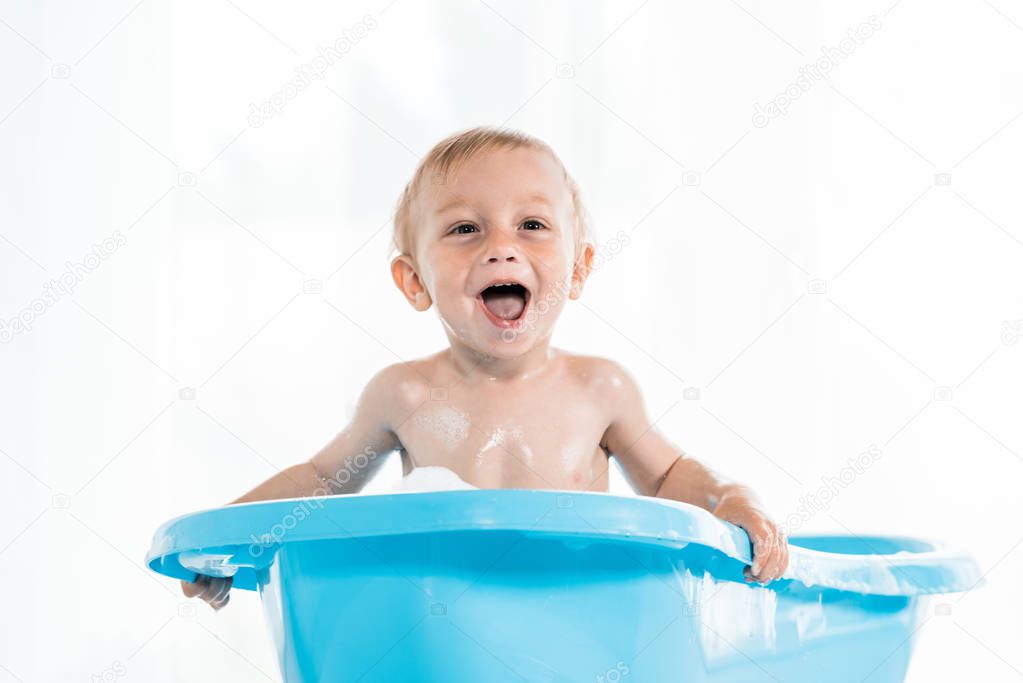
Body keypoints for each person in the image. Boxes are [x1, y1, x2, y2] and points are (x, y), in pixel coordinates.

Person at [181, 126, 789, 610]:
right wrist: (228, 539)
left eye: (532, 225)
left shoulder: (598, 389)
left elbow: (666, 478)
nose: (502, 246)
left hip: (580, 622)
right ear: (415, 281)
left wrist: (733, 500)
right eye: (465, 229)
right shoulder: (405, 394)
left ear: (578, 269)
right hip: (445, 629)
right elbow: (319, 484)